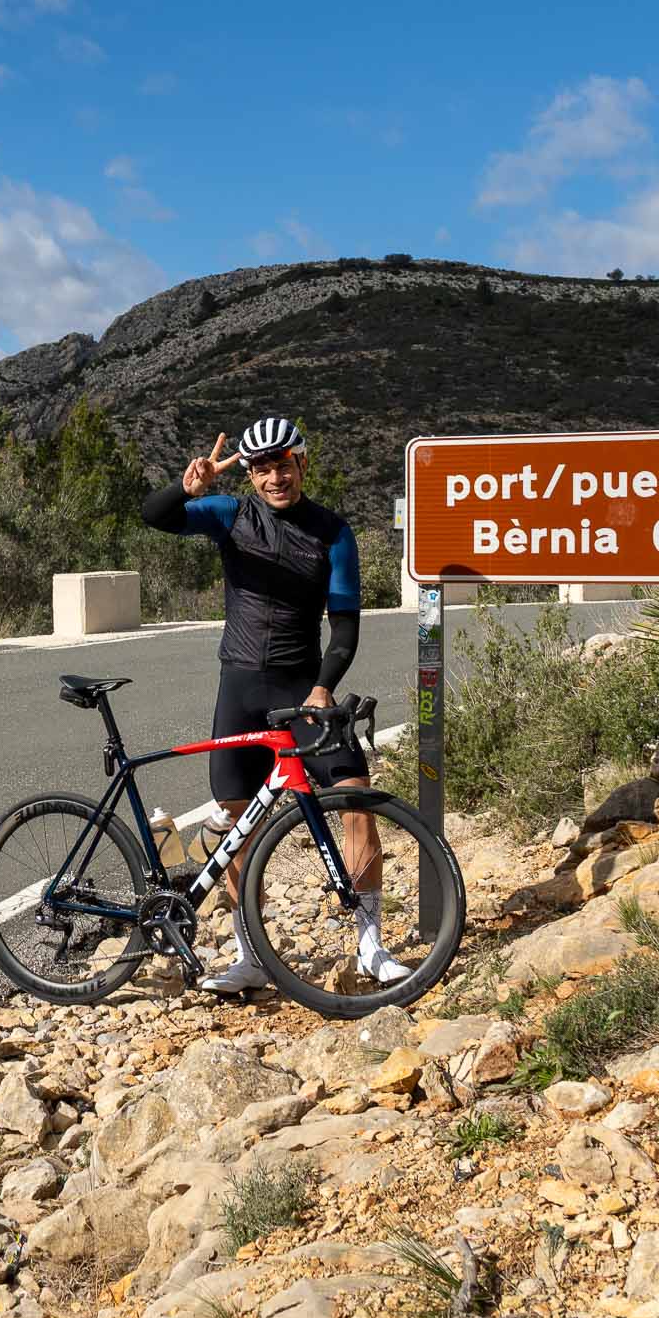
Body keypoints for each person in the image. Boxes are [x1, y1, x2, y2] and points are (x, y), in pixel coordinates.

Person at [140, 415, 408, 992]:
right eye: (261, 469)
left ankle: (371, 946)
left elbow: (344, 628)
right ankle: (251, 956)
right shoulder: (230, 514)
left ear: (301, 463)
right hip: (239, 688)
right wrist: (187, 488)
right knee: (239, 823)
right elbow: (155, 517)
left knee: (355, 797)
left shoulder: (333, 533)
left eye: (282, 465)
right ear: (251, 476)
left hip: (302, 688)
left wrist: (323, 687)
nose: (273, 478)